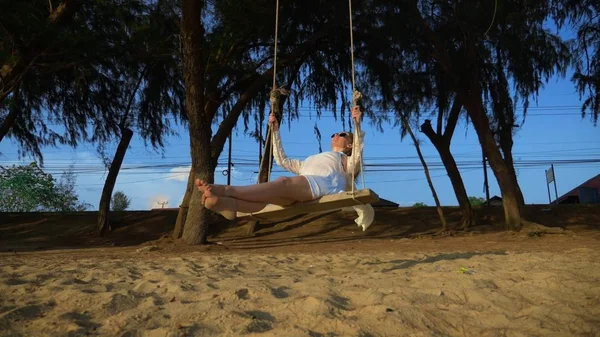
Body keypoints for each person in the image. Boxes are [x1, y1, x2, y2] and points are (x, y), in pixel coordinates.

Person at [196, 105, 364, 220]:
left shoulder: (344, 159)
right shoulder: (311, 160)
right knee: (267, 196)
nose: (336, 135)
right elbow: (282, 160)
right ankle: (228, 204)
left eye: (342, 134)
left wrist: (357, 125)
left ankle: (227, 190)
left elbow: (355, 160)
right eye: (334, 133)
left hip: (323, 187)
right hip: (303, 189)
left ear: (350, 144)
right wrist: (275, 131)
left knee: (282, 181)